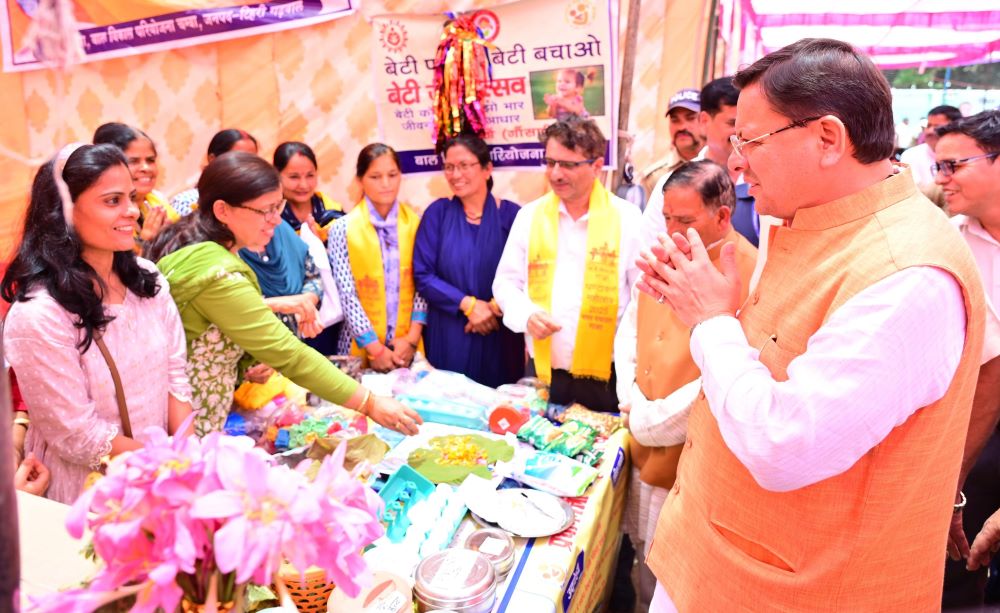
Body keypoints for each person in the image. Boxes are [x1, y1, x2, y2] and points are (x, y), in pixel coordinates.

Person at [637, 38, 986, 611]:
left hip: (790, 590)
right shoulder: (811, 222)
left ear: (827, 139)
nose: (735, 163)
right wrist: (714, 309)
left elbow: (784, 444)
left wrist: (711, 322)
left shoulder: (909, 274)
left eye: (749, 140)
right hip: (713, 559)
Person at [147, 152, 422, 437]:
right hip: (186, 424)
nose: (276, 221)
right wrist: (370, 403)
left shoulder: (200, 250)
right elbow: (291, 356)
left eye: (278, 207)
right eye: (264, 211)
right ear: (222, 210)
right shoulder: (217, 273)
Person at [2, 143, 193, 503]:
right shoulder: (40, 314)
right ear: (64, 212)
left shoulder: (147, 281)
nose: (132, 211)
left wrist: (187, 460)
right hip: (89, 491)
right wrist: (166, 466)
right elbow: (78, 434)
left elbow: (176, 378)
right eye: (112, 201)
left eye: (131, 197)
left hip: (161, 480)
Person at [613, 160, 757, 605]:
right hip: (640, 433)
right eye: (668, 218)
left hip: (688, 453)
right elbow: (629, 328)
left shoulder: (751, 274)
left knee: (676, 578)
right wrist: (629, 396)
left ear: (722, 215)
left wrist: (649, 421)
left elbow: (728, 377)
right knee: (642, 556)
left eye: (686, 221)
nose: (673, 231)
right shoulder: (666, 254)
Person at [493, 115, 641, 412]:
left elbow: (643, 296)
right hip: (545, 371)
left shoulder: (627, 219)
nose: (556, 174)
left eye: (568, 165)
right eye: (550, 163)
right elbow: (505, 283)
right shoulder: (530, 217)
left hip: (608, 374)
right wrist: (526, 314)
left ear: (597, 166)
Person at [932, 110, 1000, 609]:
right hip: (969, 421)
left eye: (954, 165)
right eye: (939, 166)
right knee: (955, 559)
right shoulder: (948, 243)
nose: (942, 178)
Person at [413, 134, 524, 387]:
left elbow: (529, 273)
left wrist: (492, 308)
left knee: (502, 405)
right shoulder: (437, 214)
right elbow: (423, 275)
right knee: (450, 401)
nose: (455, 174)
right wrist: (470, 306)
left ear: (487, 169)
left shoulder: (513, 216)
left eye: (464, 165)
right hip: (450, 330)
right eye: (449, 167)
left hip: (499, 331)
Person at [327, 144, 427, 372]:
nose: (386, 183)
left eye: (392, 175)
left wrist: (411, 340)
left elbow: (422, 286)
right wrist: (376, 350)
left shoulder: (416, 223)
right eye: (375, 176)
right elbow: (347, 294)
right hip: (358, 345)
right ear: (360, 180)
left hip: (407, 346)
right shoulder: (342, 228)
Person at [93, 122, 179, 247]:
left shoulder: (156, 201)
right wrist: (147, 241)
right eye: (133, 161)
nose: (146, 168)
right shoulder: (104, 212)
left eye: (150, 160)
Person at [171, 128, 259, 216]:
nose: (248, 166)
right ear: (213, 159)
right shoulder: (187, 202)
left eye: (253, 159)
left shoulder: (258, 199)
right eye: (240, 159)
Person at [638, 88, 703, 205]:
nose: (682, 127)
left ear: (706, 120)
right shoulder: (654, 178)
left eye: (690, 118)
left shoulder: (726, 165)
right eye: (675, 120)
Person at [274, 141, 345, 239]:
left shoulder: (334, 213)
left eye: (310, 175)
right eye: (294, 177)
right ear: (276, 175)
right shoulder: (270, 219)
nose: (304, 185)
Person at [900, 105, 963, 197]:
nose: (930, 131)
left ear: (955, 128)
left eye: (938, 127)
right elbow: (914, 195)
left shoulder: (966, 155)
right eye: (928, 126)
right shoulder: (911, 156)